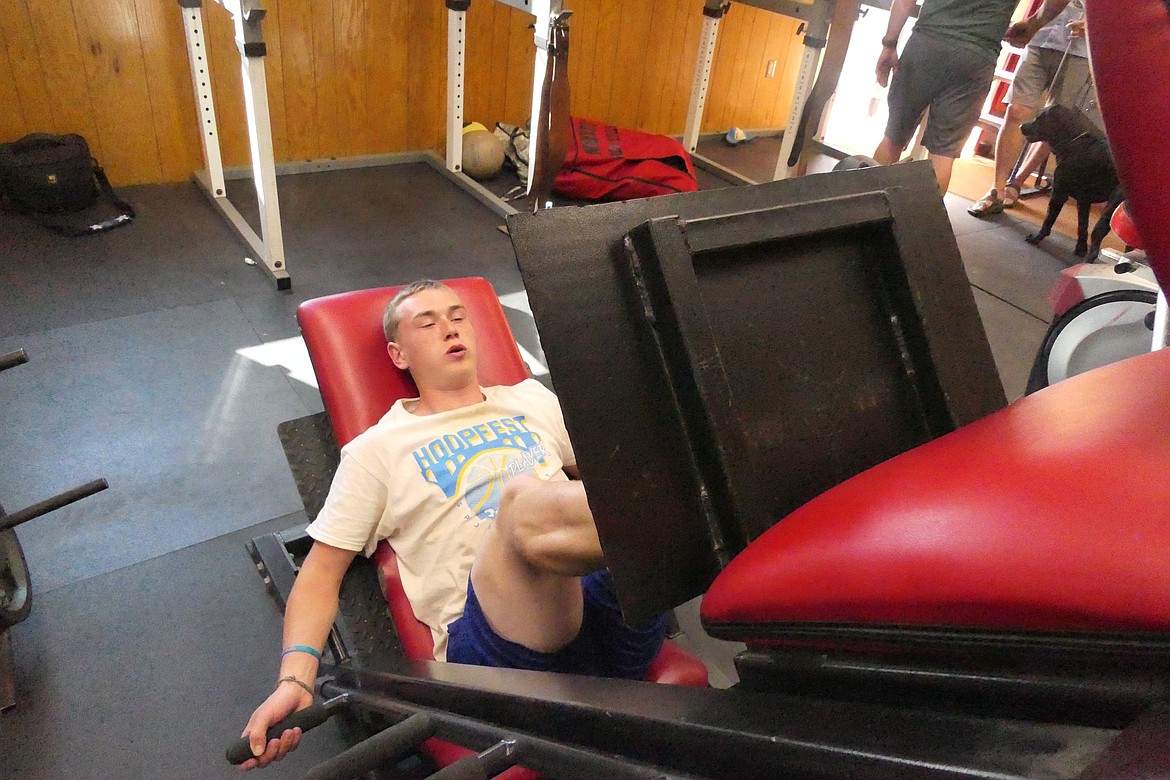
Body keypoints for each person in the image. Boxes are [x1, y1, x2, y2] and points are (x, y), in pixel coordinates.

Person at [238, 280, 666, 770]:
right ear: (398, 355)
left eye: (459, 316)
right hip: (508, 666)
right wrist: (295, 679)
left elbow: (600, 485)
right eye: (428, 321)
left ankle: (679, 513)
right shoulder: (378, 451)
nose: (449, 328)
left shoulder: (531, 399)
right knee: (523, 500)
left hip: (617, 631)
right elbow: (319, 574)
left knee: (634, 470)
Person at [872, 0, 1071, 195]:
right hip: (976, 57)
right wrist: (1033, 23)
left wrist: (889, 43)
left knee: (893, 137)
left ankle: (865, 215)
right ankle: (919, 223)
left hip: (927, 44)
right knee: (943, 153)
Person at [968, 1, 1101, 216]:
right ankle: (996, 189)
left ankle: (1016, 183)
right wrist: (1031, 23)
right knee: (1017, 110)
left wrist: (1095, 26)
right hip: (1042, 36)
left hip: (1083, 50)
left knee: (1055, 121)